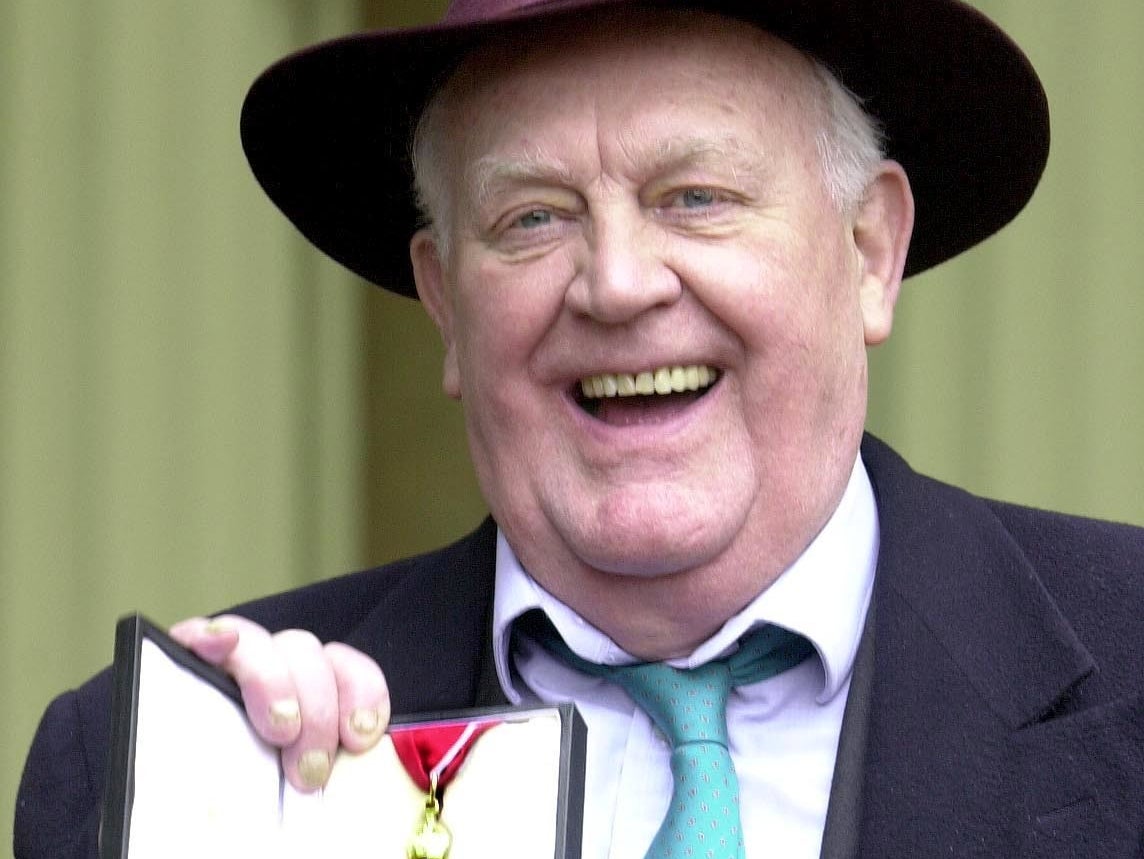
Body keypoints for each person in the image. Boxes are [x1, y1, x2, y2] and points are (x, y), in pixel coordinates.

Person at [16, 0, 1144, 856]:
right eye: (533, 217)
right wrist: (212, 820)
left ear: (868, 253)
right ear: (447, 303)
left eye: (693, 197)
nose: (613, 283)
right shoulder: (192, 769)